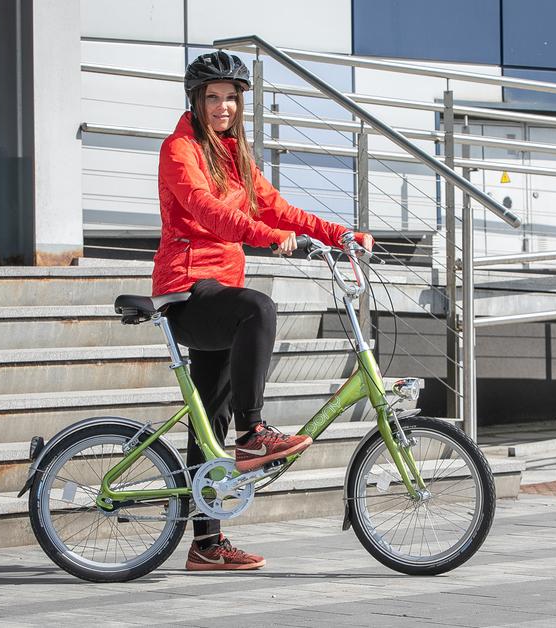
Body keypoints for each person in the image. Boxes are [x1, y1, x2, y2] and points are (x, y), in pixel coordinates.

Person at [152, 50, 373, 572]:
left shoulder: (235, 154)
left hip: (220, 290)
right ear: (196, 100)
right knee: (259, 308)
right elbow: (207, 209)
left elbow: (277, 206)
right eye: (213, 97)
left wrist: (339, 233)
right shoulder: (179, 149)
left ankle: (206, 544)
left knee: (210, 421)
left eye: (231, 98)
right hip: (187, 289)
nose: (223, 107)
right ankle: (254, 434)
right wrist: (266, 236)